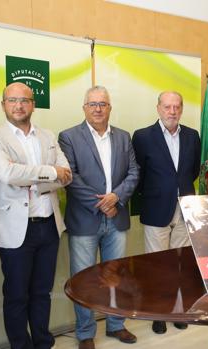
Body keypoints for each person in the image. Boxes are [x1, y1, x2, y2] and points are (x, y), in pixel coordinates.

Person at [0, 82, 71, 348]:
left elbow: (67, 175)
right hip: (14, 230)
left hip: (48, 226)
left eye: (24, 100)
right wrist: (50, 172)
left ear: (33, 104)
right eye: (12, 100)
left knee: (42, 292)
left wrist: (30, 176)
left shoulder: (48, 136)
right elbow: (7, 174)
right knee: (17, 295)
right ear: (3, 105)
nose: (18, 105)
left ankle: (43, 342)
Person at [58, 86, 139, 349]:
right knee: (84, 279)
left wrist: (116, 197)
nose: (98, 109)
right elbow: (71, 177)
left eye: (103, 104)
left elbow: (133, 173)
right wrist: (102, 204)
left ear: (110, 108)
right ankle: (85, 332)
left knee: (116, 276)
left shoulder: (124, 137)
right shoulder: (69, 137)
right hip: (85, 219)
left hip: (117, 216)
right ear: (84, 108)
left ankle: (115, 325)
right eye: (92, 104)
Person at [132, 91, 201, 334]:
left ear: (181, 109)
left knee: (179, 264)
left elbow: (192, 171)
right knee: (157, 265)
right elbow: (138, 174)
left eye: (177, 107)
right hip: (155, 208)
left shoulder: (192, 136)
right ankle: (158, 313)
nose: (172, 111)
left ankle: (177, 310)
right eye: (167, 107)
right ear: (158, 108)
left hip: (184, 208)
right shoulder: (142, 137)